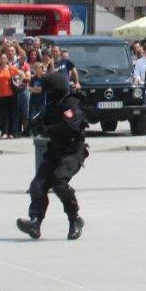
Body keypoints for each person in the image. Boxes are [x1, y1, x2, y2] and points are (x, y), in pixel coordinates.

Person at [17, 72, 88, 241]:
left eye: (49, 91)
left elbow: (71, 126)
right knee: (37, 185)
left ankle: (75, 220)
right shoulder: (51, 105)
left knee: (59, 182)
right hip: (55, 150)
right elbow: (43, 121)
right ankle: (35, 222)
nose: (47, 95)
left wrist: (49, 129)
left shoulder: (71, 103)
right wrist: (35, 125)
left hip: (72, 151)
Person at [0, 52, 20, 139]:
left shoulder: (11, 68)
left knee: (12, 114)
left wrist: (18, 82)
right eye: (1, 58)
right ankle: (4, 132)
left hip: (11, 94)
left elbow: (22, 74)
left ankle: (12, 132)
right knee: (3, 115)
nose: (3, 60)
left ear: (7, 59)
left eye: (4, 58)